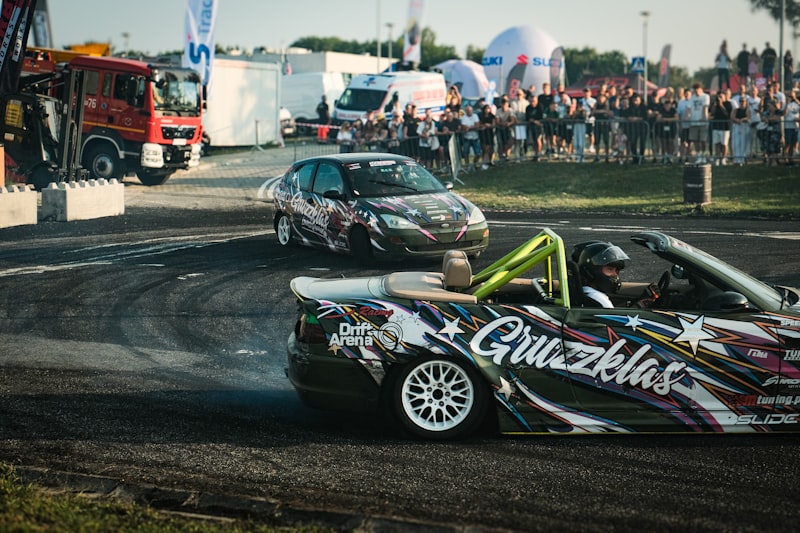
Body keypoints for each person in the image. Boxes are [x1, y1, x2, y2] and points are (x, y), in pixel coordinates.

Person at [573, 241, 631, 308]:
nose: (615, 274)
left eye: (617, 270)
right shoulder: (598, 299)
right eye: (610, 269)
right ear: (592, 270)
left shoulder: (583, 292)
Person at [686, 83, 710, 163]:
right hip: (694, 121)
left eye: (697, 90)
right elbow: (689, 108)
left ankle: (703, 155)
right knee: (695, 139)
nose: (696, 92)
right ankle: (699, 155)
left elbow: (705, 107)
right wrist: (687, 116)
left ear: (701, 89)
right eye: (695, 90)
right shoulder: (692, 98)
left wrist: (703, 117)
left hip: (702, 122)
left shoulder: (705, 96)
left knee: (703, 140)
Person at [710, 91, 732, 165]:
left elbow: (727, 113)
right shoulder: (715, 104)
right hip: (716, 126)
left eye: (721, 97)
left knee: (724, 144)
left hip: (725, 127)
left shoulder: (728, 104)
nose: (719, 99)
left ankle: (724, 158)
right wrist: (715, 105)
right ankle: (717, 158)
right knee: (717, 143)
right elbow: (712, 112)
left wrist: (721, 104)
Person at [509, 89, 528, 160]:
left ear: (523, 95)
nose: (519, 96)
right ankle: (517, 155)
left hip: (524, 123)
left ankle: (523, 154)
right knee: (517, 140)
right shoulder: (513, 103)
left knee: (523, 141)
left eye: (520, 94)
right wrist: (516, 120)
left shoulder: (526, 103)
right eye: (517, 94)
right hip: (516, 124)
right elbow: (512, 113)